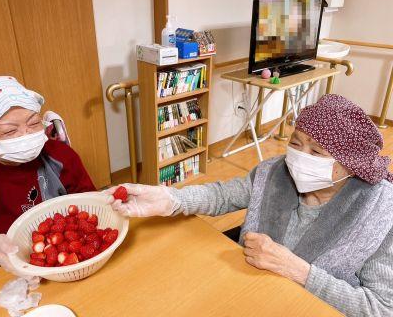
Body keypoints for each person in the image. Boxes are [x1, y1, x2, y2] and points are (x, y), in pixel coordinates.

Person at [107, 94, 393, 317]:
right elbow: (222, 195)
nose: (299, 156)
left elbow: (380, 308)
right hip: (244, 292)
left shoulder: (380, 214)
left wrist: (299, 271)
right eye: (295, 142)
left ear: (351, 166)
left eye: (316, 151)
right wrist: (170, 199)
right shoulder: (274, 172)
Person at [0, 76, 95, 280]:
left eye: (33, 123)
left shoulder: (60, 156)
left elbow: (91, 204)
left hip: (62, 262)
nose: (26, 135)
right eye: (10, 131)